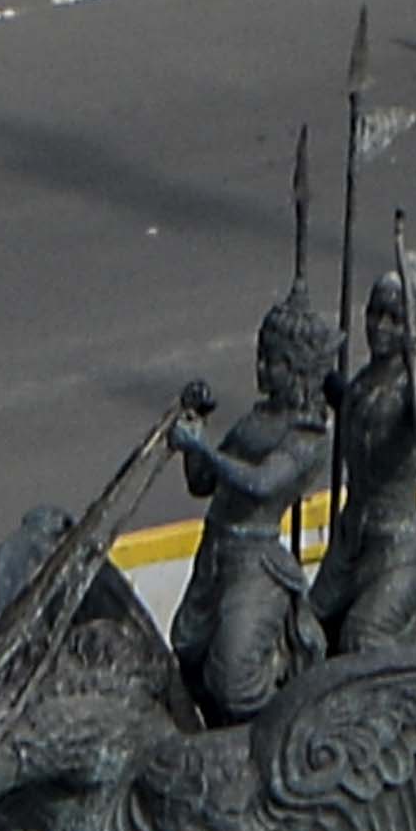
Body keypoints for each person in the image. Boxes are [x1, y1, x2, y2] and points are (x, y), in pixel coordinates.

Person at [168, 293, 339, 722]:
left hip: (255, 562)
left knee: (234, 681)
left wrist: (202, 448)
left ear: (298, 370)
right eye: (260, 357)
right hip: (216, 550)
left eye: (273, 362)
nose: (261, 369)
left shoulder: (308, 436)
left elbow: (261, 483)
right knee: (188, 649)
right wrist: (196, 427)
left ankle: (281, 726)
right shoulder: (255, 420)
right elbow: (201, 483)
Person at [314, 251, 416, 656]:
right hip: (351, 541)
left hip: (399, 548)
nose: (379, 327)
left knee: (363, 639)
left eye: (394, 319)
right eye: (374, 314)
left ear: (414, 328)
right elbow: (351, 404)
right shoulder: (364, 383)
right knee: (305, 632)